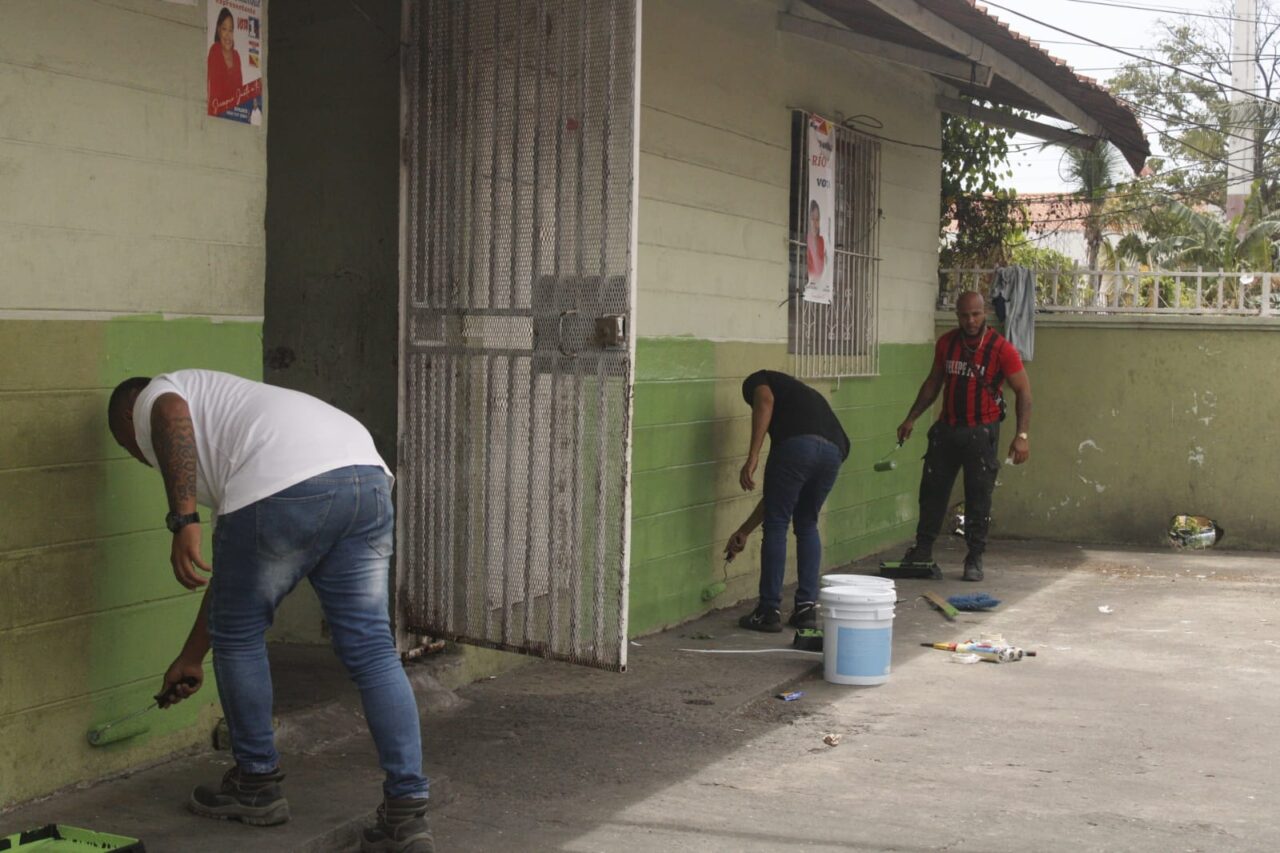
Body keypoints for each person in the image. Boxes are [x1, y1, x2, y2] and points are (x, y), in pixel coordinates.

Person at [107, 370, 433, 853]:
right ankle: (407, 813)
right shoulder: (234, 434)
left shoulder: (158, 395)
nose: (141, 457)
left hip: (290, 480)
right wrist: (192, 655)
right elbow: (233, 584)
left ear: (129, 421)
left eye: (133, 447)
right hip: (365, 476)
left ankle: (257, 784)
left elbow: (167, 413)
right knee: (372, 650)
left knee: (241, 638)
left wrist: (183, 520)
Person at [896, 291, 1032, 582]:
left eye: (976, 314)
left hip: (981, 432)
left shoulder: (1001, 348)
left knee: (978, 496)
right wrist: (912, 417)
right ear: (957, 315)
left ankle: (975, 556)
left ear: (985, 314)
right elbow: (934, 382)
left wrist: (1022, 435)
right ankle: (923, 551)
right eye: (964, 315)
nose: (970, 321)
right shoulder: (947, 343)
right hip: (947, 429)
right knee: (932, 491)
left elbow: (1024, 391)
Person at [725, 370, 850, 632]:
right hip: (834, 451)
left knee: (777, 526)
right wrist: (744, 531)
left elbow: (765, 401)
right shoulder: (805, 396)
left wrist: (753, 457)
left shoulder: (758, 379)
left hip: (798, 447)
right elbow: (777, 497)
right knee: (806, 524)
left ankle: (768, 610)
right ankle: (806, 608)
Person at [207, 8, 244, 116]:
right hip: (217, 114)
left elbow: (240, 92)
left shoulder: (236, 56)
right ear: (218, 30)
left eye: (231, 30)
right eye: (224, 29)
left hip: (235, 115)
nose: (228, 35)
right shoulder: (215, 51)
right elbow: (214, 91)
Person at [806, 199, 826, 280]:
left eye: (817, 219)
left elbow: (821, 270)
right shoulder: (806, 239)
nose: (814, 223)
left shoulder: (821, 241)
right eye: (812, 219)